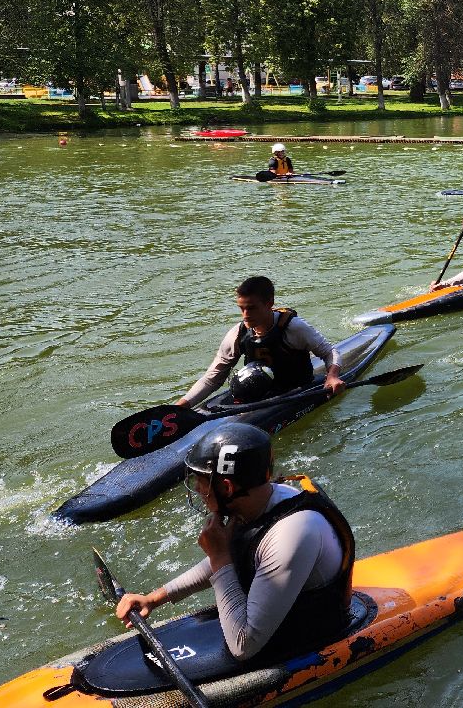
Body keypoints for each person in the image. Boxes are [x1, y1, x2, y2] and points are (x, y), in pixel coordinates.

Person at [113, 422, 355, 662]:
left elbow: (243, 646)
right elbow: (241, 554)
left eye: (202, 481)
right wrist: (154, 599)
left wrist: (220, 557)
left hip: (312, 635)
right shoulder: (257, 502)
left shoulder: (291, 535)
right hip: (284, 616)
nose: (197, 488)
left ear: (226, 487)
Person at [178, 276, 344, 407]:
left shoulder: (294, 328)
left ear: (269, 303)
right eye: (241, 308)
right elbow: (212, 378)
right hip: (257, 394)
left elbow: (330, 352)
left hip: (296, 389)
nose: (245, 315)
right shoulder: (237, 334)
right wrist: (182, 406)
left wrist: (332, 376)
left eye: (251, 308)